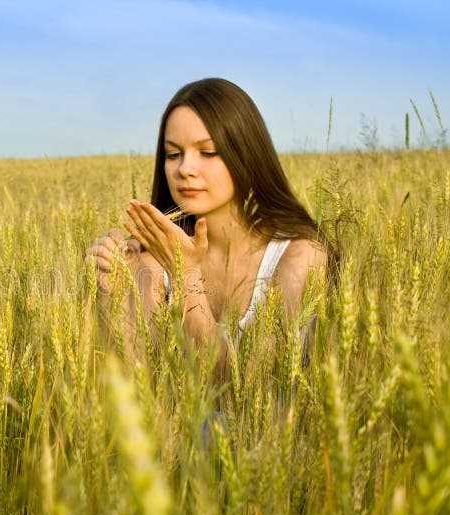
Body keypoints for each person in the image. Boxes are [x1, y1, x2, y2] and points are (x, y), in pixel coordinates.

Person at [86, 78, 332, 376]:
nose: (185, 168)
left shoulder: (299, 257)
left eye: (208, 152)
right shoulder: (152, 262)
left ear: (246, 154)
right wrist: (111, 296)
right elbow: (133, 386)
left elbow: (244, 390)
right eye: (174, 154)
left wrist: (186, 274)